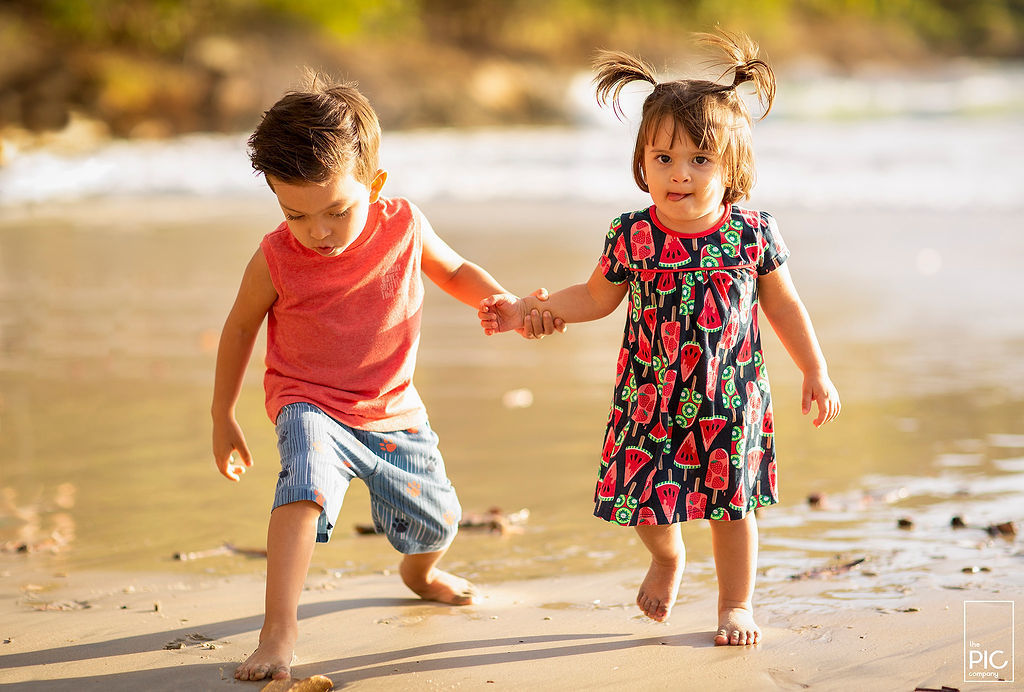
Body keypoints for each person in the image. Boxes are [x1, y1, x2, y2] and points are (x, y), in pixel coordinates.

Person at [478, 32, 840, 646]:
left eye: (701, 160)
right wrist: (526, 310)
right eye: (663, 158)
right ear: (642, 163)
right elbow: (594, 297)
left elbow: (783, 304)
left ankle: (735, 605)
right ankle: (669, 557)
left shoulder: (752, 233)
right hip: (649, 398)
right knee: (644, 503)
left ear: (733, 170)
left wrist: (815, 369)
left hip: (730, 399)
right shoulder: (632, 234)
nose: (680, 174)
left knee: (733, 510)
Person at [211, 75, 560, 681]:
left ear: (374, 184)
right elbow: (240, 328)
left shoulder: (404, 225)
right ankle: (278, 630)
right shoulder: (275, 258)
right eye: (296, 214)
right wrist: (223, 415)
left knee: (439, 520)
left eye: (336, 210)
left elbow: (454, 271)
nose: (317, 231)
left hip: (394, 406)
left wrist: (501, 302)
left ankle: (419, 574)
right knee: (303, 486)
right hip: (309, 401)